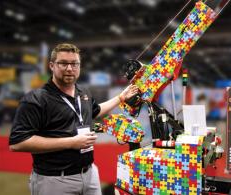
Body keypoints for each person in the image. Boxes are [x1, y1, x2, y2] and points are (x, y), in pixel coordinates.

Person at [9, 43, 139, 195]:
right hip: (55, 181)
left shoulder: (82, 91)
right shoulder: (36, 99)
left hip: (90, 174)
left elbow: (95, 111)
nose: (69, 68)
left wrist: (120, 98)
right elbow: (17, 143)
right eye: (63, 63)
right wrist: (72, 142)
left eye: (74, 64)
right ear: (52, 65)